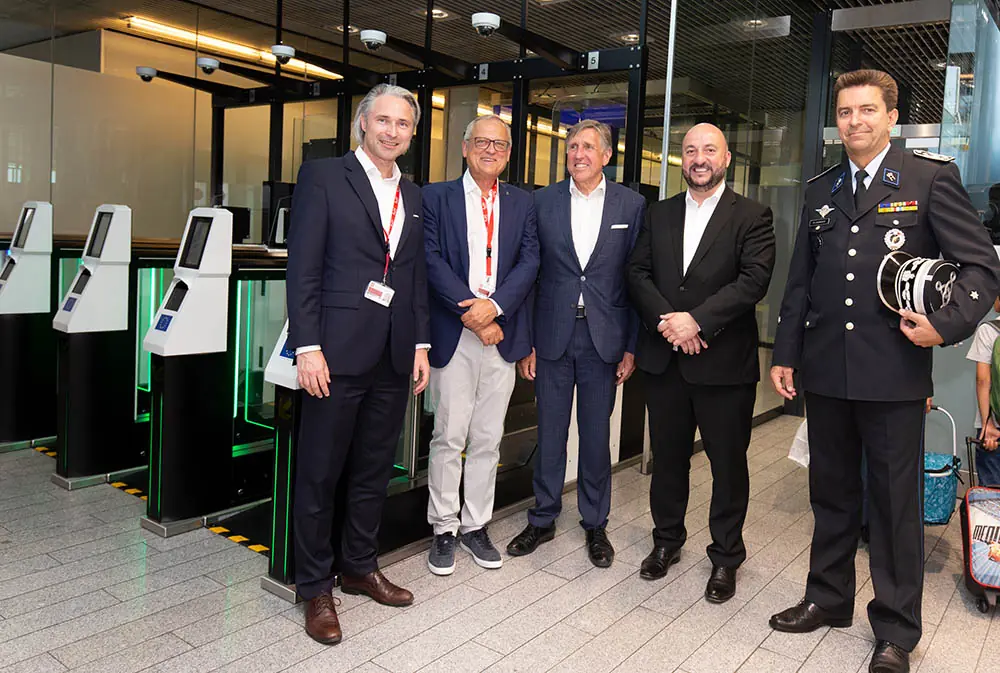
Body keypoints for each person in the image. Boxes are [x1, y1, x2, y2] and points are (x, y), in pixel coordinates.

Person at [768, 69, 1000, 673]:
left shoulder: (928, 179)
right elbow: (801, 283)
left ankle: (896, 629)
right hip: (825, 371)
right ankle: (827, 596)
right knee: (832, 494)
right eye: (845, 112)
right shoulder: (821, 189)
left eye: (867, 110)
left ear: (891, 117)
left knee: (894, 506)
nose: (855, 121)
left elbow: (980, 269)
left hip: (894, 375)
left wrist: (945, 326)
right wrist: (786, 352)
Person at [285, 84, 431, 646]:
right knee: (320, 472)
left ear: (412, 134)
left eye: (404, 124)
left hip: (393, 354)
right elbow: (304, 269)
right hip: (335, 352)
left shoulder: (413, 195)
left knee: (373, 468)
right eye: (384, 121)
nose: (393, 131)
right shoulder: (324, 177)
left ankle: (359, 565)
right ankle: (315, 586)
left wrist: (419, 345)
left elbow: (412, 276)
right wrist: (307, 346)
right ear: (362, 124)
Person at [626, 123, 775, 603]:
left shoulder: (753, 215)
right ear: (682, 160)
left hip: (724, 365)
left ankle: (726, 557)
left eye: (709, 149)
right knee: (667, 461)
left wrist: (697, 322)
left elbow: (753, 281)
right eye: (690, 150)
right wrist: (671, 324)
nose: (698, 158)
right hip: (665, 360)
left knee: (727, 466)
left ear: (726, 158)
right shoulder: (660, 212)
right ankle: (666, 541)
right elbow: (638, 272)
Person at [506, 119, 646, 568]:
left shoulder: (633, 204)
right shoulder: (541, 202)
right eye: (571, 147)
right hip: (550, 336)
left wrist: (631, 346)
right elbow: (529, 274)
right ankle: (542, 518)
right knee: (549, 433)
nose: (578, 154)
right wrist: (525, 341)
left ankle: (595, 523)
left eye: (587, 147)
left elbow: (637, 279)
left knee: (595, 435)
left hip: (602, 339)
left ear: (607, 155)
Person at [422, 114, 539, 575]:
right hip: (455, 332)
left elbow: (530, 262)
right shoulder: (436, 197)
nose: (491, 150)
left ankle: (475, 525)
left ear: (509, 153)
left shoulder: (522, 203)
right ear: (466, 148)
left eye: (500, 144)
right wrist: (471, 310)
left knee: (488, 437)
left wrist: (495, 309)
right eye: (482, 142)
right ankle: (443, 529)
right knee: (449, 435)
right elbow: (429, 259)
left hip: (501, 333)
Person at [965, 295, 1000, 487]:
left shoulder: (989, 330)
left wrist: (988, 425)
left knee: (991, 492)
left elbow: (983, 380)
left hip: (994, 425)